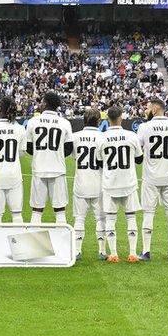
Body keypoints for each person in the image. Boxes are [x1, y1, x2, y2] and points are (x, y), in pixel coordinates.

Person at [137, 97, 168, 261]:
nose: (146, 111)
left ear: (155, 109)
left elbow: (139, 149)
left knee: (148, 213)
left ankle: (146, 251)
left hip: (151, 177)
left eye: (148, 108)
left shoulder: (144, 127)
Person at [97, 106, 143, 263]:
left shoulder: (101, 138)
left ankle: (114, 254)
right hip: (128, 182)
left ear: (107, 119)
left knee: (110, 219)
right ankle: (132, 253)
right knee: (131, 217)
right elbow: (139, 159)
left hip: (110, 183)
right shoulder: (131, 135)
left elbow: (98, 161)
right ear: (121, 118)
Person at [26, 91, 73, 224]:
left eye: (41, 102)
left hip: (39, 169)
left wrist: (41, 153)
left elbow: (29, 148)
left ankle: (34, 243)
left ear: (45, 104)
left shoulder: (32, 122)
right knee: (60, 211)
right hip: (58, 170)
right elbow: (68, 148)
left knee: (36, 211)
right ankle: (62, 243)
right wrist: (55, 154)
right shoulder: (64, 123)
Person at [71, 107, 105, 260]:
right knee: (100, 218)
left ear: (84, 120)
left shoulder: (75, 137)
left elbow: (73, 156)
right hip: (99, 183)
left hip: (81, 183)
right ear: (98, 122)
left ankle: (77, 251)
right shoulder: (103, 138)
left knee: (79, 218)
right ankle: (102, 251)